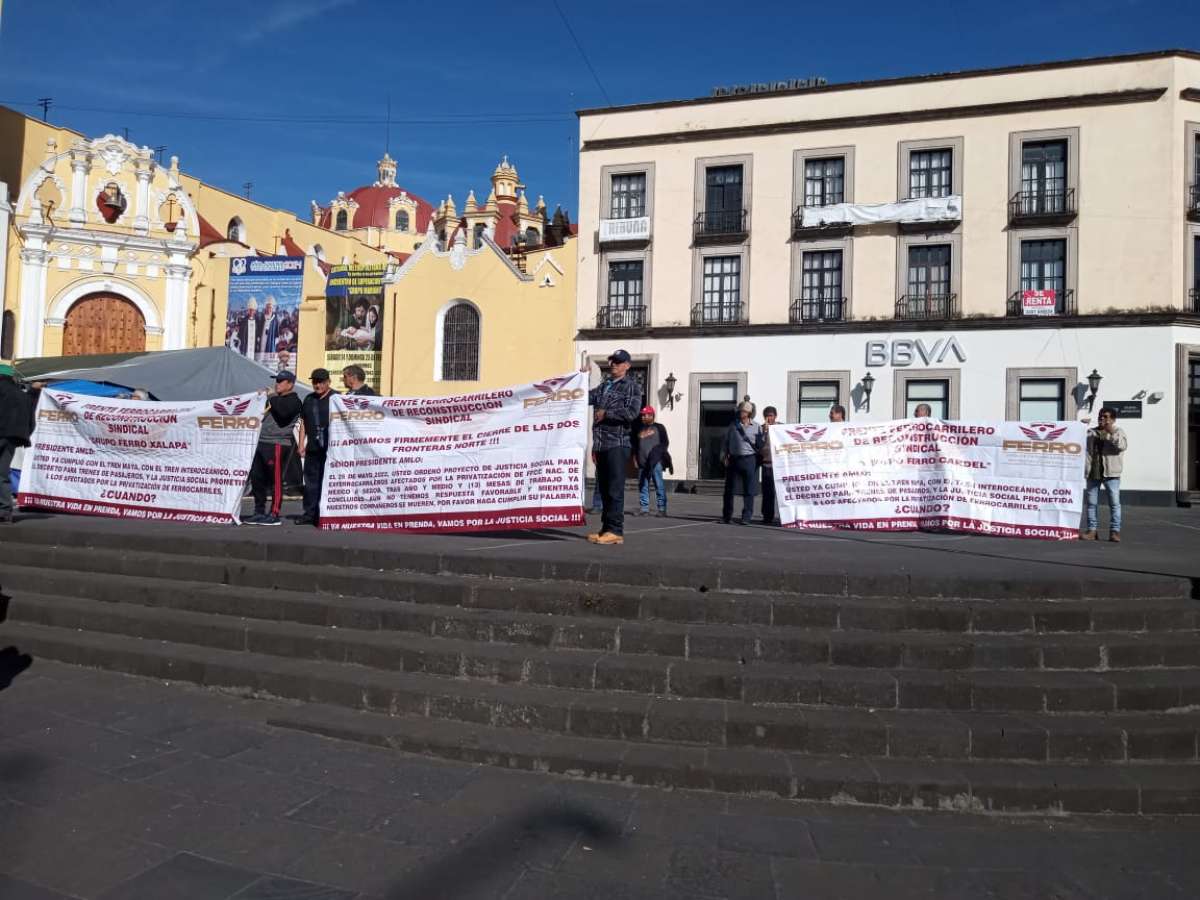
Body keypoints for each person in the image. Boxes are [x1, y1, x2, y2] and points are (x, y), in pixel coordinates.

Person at [586, 349, 642, 546]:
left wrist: (607, 413)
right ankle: (606, 528)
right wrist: (582, 379)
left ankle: (616, 530)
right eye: (612, 361)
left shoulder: (631, 386)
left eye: (618, 362)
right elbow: (585, 397)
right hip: (601, 444)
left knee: (614, 489)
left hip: (618, 443)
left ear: (627, 365)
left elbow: (632, 413)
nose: (613, 365)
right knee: (603, 488)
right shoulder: (605, 386)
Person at [246, 370, 303, 526]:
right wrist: (258, 397)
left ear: (290, 384)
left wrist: (271, 396)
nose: (277, 384)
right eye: (276, 380)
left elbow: (283, 413)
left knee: (275, 481)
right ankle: (259, 511)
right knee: (257, 479)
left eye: (280, 381)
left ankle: (274, 514)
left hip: (277, 443)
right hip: (261, 442)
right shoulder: (273, 399)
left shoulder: (294, 401)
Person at [297, 368, 338, 526]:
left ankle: (326, 514)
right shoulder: (309, 399)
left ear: (328, 382)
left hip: (331, 449)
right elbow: (303, 422)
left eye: (321, 382)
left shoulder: (337, 398)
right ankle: (309, 514)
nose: (318, 385)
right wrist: (301, 444)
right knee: (310, 482)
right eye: (315, 382)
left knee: (328, 482)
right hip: (313, 448)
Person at [1082, 406, 1128, 542]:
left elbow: (1121, 446)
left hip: (1111, 473)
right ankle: (1092, 531)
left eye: (1106, 417)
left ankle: (1115, 532)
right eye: (1101, 416)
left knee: (1114, 504)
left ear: (1113, 420)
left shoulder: (1118, 431)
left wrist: (1110, 431)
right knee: (1091, 503)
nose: (1102, 418)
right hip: (1093, 472)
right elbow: (1077, 443)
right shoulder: (1090, 432)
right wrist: (1080, 426)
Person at [0, 364, 36, 524]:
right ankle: (4, 512)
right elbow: (31, 422)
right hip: (13, 439)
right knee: (2, 474)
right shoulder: (22, 395)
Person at [721, 400, 762, 525]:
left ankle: (746, 517)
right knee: (729, 489)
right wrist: (724, 456)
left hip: (749, 459)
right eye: (740, 411)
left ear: (749, 413)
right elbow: (726, 442)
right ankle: (727, 516)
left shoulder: (757, 427)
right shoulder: (733, 425)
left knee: (749, 490)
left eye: (744, 411)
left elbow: (760, 445)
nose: (741, 413)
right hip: (734, 459)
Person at [632, 406, 670, 518]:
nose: (643, 417)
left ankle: (662, 509)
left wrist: (657, 455)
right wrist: (635, 458)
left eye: (645, 415)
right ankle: (644, 509)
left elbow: (665, 443)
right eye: (642, 415)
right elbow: (635, 446)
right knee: (643, 485)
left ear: (652, 416)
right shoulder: (639, 429)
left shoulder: (659, 427)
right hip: (642, 462)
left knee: (659, 485)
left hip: (655, 462)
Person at [759, 406, 778, 525]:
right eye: (767, 416)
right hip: (767, 463)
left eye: (771, 416)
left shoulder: (780, 427)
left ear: (775, 416)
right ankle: (767, 516)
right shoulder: (761, 429)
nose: (769, 418)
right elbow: (758, 444)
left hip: (780, 464)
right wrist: (764, 432)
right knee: (767, 492)